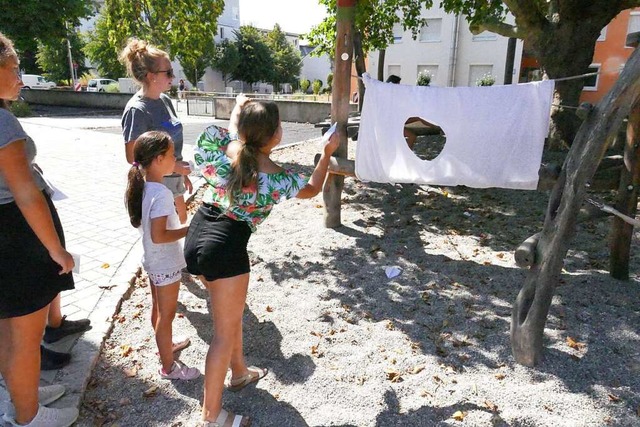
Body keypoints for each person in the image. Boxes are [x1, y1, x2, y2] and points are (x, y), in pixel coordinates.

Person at [184, 94, 339, 426]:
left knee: (230, 316)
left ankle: (239, 372)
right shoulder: (276, 175)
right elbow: (312, 188)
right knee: (223, 333)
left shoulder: (229, 149)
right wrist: (325, 153)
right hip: (225, 245)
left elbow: (227, 135)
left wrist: (238, 110)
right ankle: (211, 416)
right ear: (275, 135)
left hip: (198, 234)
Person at [0, 32, 79, 427]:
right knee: (25, 336)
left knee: (7, 328)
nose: (20, 76)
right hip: (15, 237)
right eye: (14, 68)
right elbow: (27, 195)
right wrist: (57, 251)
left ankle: (20, 395)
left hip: (6, 239)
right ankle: (29, 417)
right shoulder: (2, 123)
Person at [125, 130, 200, 381]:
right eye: (171, 154)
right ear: (158, 159)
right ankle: (169, 368)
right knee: (165, 316)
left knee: (159, 311)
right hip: (164, 262)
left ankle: (165, 348)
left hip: (153, 261)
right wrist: (192, 229)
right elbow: (160, 235)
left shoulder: (145, 188)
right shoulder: (161, 193)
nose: (175, 158)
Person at [119, 38, 192, 224]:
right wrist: (175, 167)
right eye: (168, 72)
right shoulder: (138, 110)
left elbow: (172, 146)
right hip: (157, 187)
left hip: (174, 182)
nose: (172, 77)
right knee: (165, 237)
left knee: (180, 226)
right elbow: (132, 157)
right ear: (152, 76)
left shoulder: (165, 101)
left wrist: (181, 174)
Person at [385, 74, 418, 149]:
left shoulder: (393, 94)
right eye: (398, 84)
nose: (399, 86)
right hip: (390, 124)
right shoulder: (388, 94)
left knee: (417, 120)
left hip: (395, 121)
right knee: (411, 136)